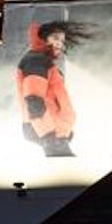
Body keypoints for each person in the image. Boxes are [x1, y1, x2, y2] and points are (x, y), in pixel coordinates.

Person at [15, 20, 95, 158]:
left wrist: (64, 130)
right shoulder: (36, 61)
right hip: (51, 135)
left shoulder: (42, 61)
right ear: (43, 39)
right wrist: (49, 137)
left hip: (55, 133)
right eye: (55, 38)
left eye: (62, 41)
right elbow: (34, 101)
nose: (60, 44)